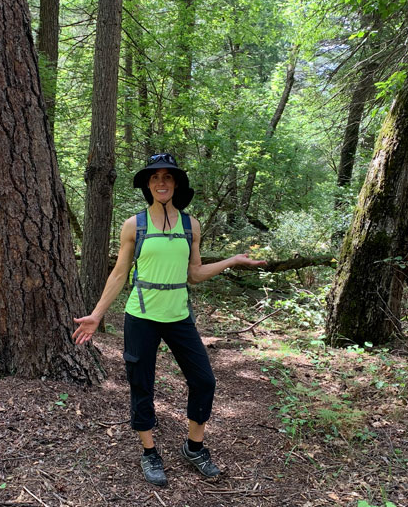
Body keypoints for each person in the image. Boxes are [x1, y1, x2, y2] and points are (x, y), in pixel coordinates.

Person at [72, 153, 266, 487]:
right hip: (141, 316)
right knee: (141, 384)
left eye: (168, 177)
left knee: (204, 381)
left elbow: (194, 273)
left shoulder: (191, 225)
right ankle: (149, 453)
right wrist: (97, 314)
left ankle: (194, 447)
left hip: (179, 316)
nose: (161, 182)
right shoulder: (135, 224)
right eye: (155, 177)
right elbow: (120, 273)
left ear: (176, 184)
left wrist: (231, 261)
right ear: (148, 185)